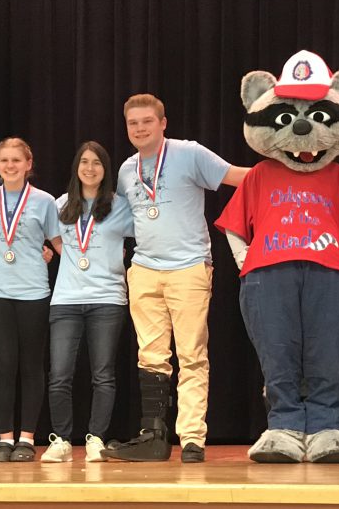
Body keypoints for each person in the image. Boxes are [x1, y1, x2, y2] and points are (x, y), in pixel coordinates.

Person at [102, 93, 248, 463]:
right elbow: (120, 221)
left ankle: (193, 438)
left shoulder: (189, 153)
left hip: (188, 268)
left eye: (147, 121)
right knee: (150, 355)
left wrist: (302, 172)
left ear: (163, 123)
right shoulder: (125, 170)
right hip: (145, 270)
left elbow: (238, 177)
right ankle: (153, 435)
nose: (139, 128)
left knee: (192, 354)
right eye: (133, 123)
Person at [40, 141, 134, 463]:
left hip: (107, 299)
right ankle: (61, 440)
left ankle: (96, 438)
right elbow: (52, 237)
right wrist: (60, 251)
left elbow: (146, 236)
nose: (90, 168)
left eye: (97, 163)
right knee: (59, 374)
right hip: (65, 299)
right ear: (76, 167)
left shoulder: (120, 206)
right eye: (84, 162)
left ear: (105, 169)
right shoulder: (61, 204)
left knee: (103, 374)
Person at [0, 137, 62, 462]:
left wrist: (58, 259)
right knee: (3, 364)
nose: (10, 166)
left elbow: (57, 242)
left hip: (34, 292)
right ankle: (3, 439)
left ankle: (26, 438)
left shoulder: (44, 201)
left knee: (30, 365)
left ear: (29, 164)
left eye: (17, 160)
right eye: (4, 161)